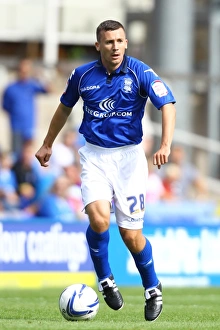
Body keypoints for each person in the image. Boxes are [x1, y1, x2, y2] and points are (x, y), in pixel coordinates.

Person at [35, 20, 176, 322]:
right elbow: (64, 107)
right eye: (109, 42)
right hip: (95, 156)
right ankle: (105, 280)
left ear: (126, 43)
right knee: (99, 220)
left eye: (120, 41)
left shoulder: (140, 71)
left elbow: (168, 104)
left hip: (130, 159)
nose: (115, 47)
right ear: (98, 45)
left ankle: (152, 288)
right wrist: (47, 143)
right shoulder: (82, 75)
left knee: (130, 235)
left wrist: (165, 144)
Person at [2, 58, 51, 159]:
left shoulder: (32, 85)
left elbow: (48, 90)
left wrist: (39, 76)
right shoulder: (11, 88)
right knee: (16, 154)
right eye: (22, 70)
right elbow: (5, 106)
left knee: (28, 154)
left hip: (29, 126)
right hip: (16, 127)